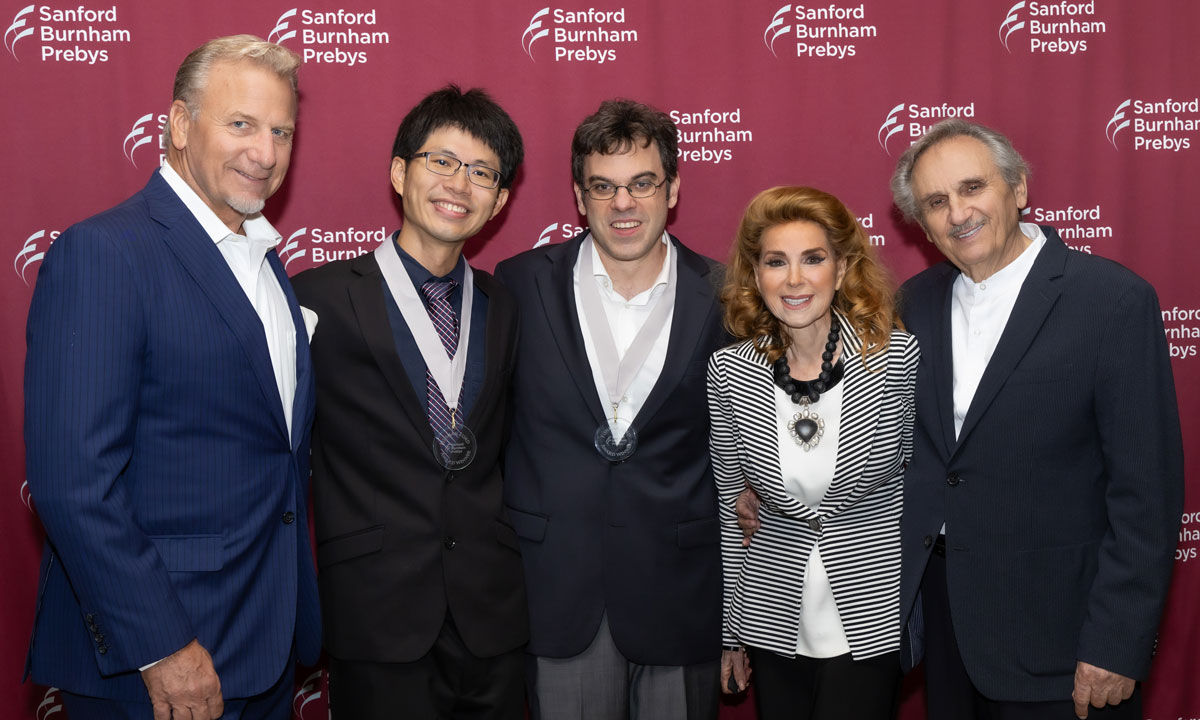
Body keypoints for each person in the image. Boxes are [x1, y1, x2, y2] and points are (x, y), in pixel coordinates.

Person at [23, 35, 318, 719]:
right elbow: (73, 481)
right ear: (180, 125)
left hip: (264, 645)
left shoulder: (265, 262)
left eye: (281, 131)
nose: (266, 152)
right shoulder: (106, 253)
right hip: (157, 664)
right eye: (240, 124)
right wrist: (162, 647)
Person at [890, 119, 1183, 719]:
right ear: (921, 224)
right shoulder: (910, 305)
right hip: (947, 626)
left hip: (1067, 639)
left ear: (1019, 189)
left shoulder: (1111, 300)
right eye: (936, 202)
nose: (958, 213)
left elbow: (1146, 494)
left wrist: (1117, 640)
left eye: (973, 188)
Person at [291, 85, 527, 719]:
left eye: (482, 172)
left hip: (492, 615)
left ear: (500, 200)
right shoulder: (315, 297)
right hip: (375, 611)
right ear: (399, 172)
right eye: (441, 161)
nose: (460, 184)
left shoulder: (506, 307)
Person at [494, 99, 728, 719]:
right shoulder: (518, 284)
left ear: (672, 188)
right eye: (603, 187)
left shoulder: (728, 297)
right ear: (579, 196)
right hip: (557, 593)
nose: (623, 203)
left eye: (642, 183)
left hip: (682, 594)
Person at [710, 186, 919, 719]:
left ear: (843, 267)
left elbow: (923, 485)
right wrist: (732, 631)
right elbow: (732, 511)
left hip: (871, 615)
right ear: (756, 276)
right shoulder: (730, 375)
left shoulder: (897, 359)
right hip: (771, 615)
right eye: (776, 262)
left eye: (813, 259)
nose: (795, 279)